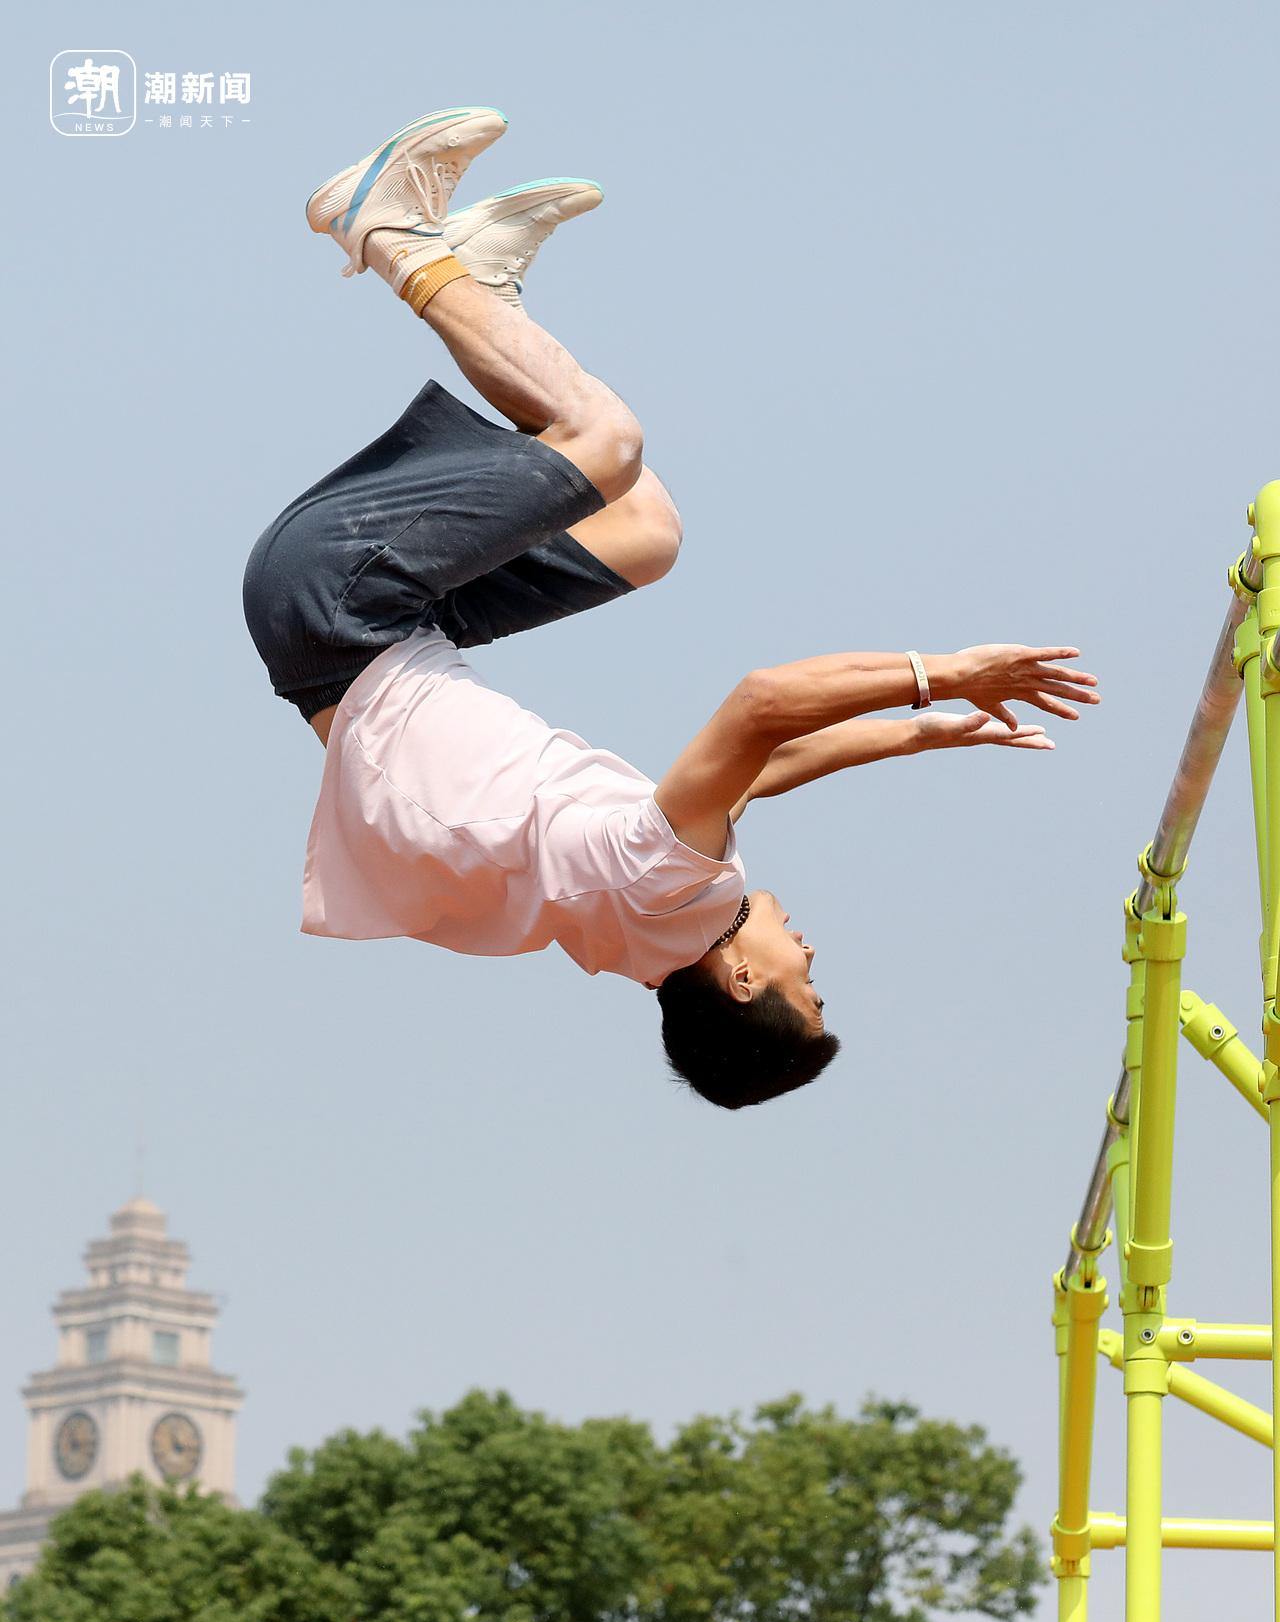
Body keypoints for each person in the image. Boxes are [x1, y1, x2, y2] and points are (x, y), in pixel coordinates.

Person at [242, 106, 1100, 1110]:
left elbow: (760, 706)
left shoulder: (666, 884)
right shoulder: (634, 925)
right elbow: (758, 772)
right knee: (644, 530)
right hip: (353, 637)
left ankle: (382, 230)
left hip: (344, 600)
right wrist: (916, 737)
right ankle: (485, 296)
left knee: (604, 441)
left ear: (741, 982)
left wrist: (944, 670)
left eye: (805, 982)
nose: (810, 951)